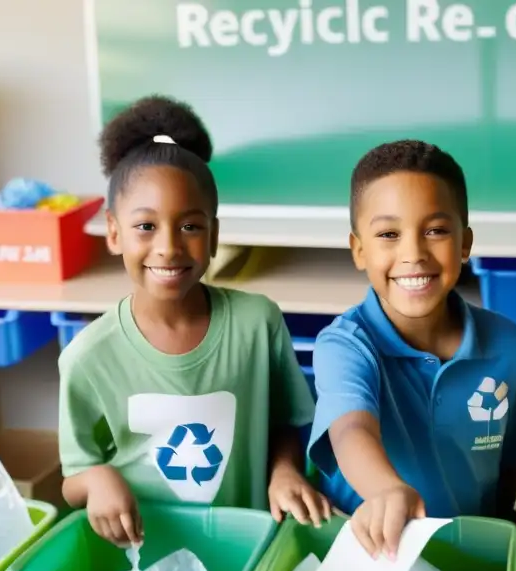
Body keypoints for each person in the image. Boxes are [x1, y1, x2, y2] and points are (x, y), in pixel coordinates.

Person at [58, 95, 329, 545]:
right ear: (112, 231)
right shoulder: (87, 357)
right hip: (145, 558)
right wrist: (98, 481)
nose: (168, 246)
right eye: (146, 226)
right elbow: (75, 478)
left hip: (246, 549)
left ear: (215, 234)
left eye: (190, 226)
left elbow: (283, 423)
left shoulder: (257, 323)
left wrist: (284, 472)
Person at [307, 140, 516, 559]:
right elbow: (350, 430)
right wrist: (386, 490)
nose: (413, 253)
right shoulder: (344, 345)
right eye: (389, 234)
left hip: (469, 553)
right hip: (365, 557)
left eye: (435, 231)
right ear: (359, 250)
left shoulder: (508, 347)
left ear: (465, 244)